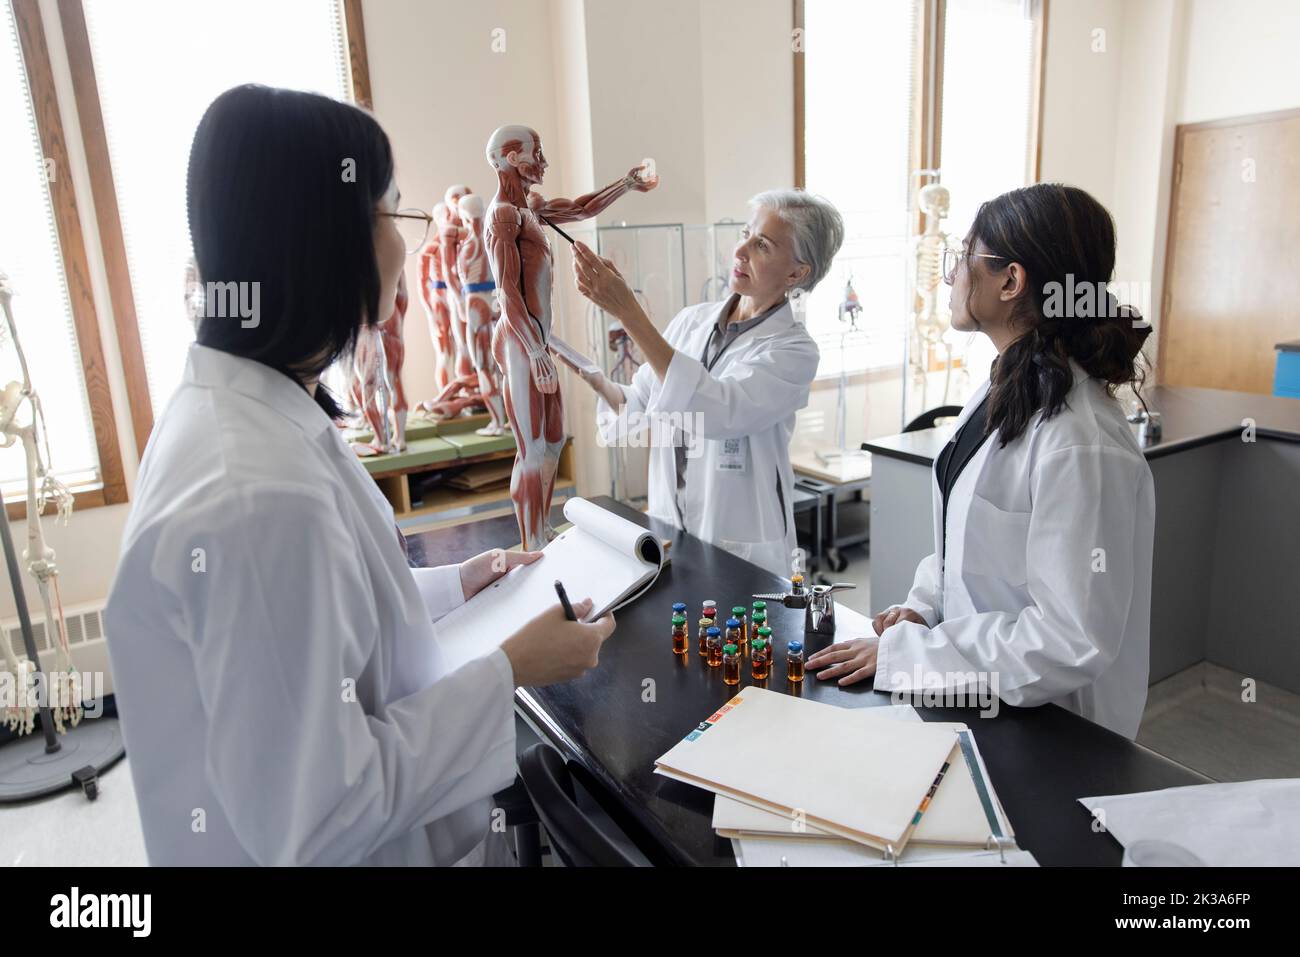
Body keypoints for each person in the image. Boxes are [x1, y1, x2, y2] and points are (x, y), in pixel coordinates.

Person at [102, 85, 615, 866]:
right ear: (320, 238)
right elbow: (323, 810)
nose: (409, 248)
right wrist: (511, 670)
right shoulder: (257, 496)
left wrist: (458, 583)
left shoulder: (250, 408)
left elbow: (321, 626)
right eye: (391, 215)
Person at [807, 183, 1155, 740]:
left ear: (1011, 281)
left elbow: (1069, 640)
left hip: (1054, 731)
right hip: (985, 699)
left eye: (962, 257)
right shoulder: (1008, 387)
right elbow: (967, 548)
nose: (949, 277)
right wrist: (924, 607)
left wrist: (911, 657)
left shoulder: (1081, 442)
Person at [560, 189, 844, 578]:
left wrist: (629, 312)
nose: (740, 250)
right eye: (746, 233)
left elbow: (718, 412)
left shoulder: (793, 351)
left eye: (762, 244)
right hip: (669, 528)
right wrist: (596, 381)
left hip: (742, 548)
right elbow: (639, 403)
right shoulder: (692, 321)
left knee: (734, 635)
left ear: (797, 273)